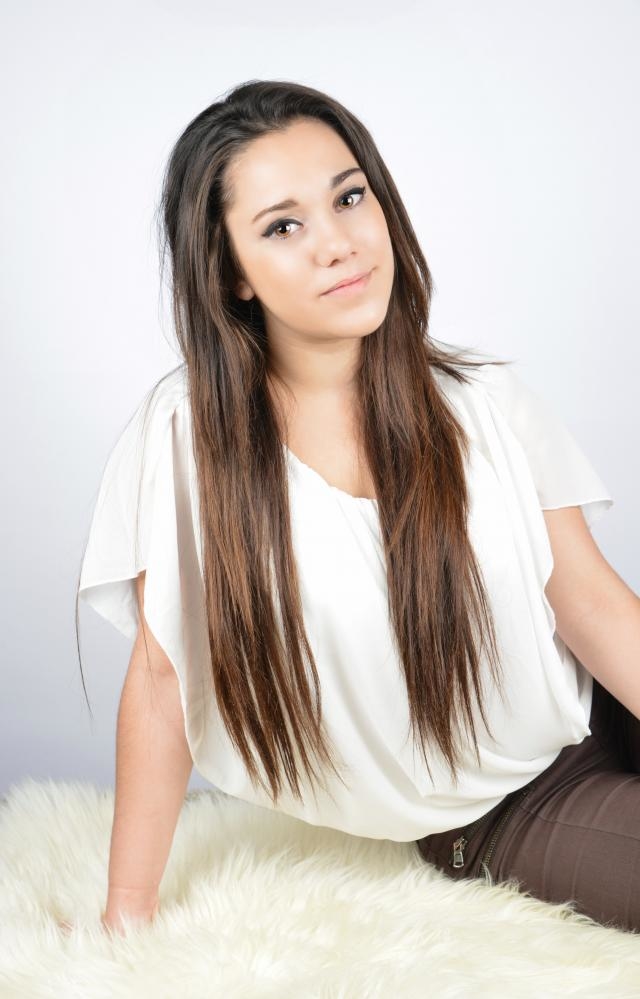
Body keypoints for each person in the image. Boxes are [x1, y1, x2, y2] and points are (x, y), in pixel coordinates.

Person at [75, 79, 639, 937]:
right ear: (230, 272)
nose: (338, 243)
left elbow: (592, 605)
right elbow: (161, 677)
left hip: (601, 708)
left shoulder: (484, 401)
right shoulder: (186, 439)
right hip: (510, 802)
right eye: (283, 226)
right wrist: (125, 914)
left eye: (348, 197)